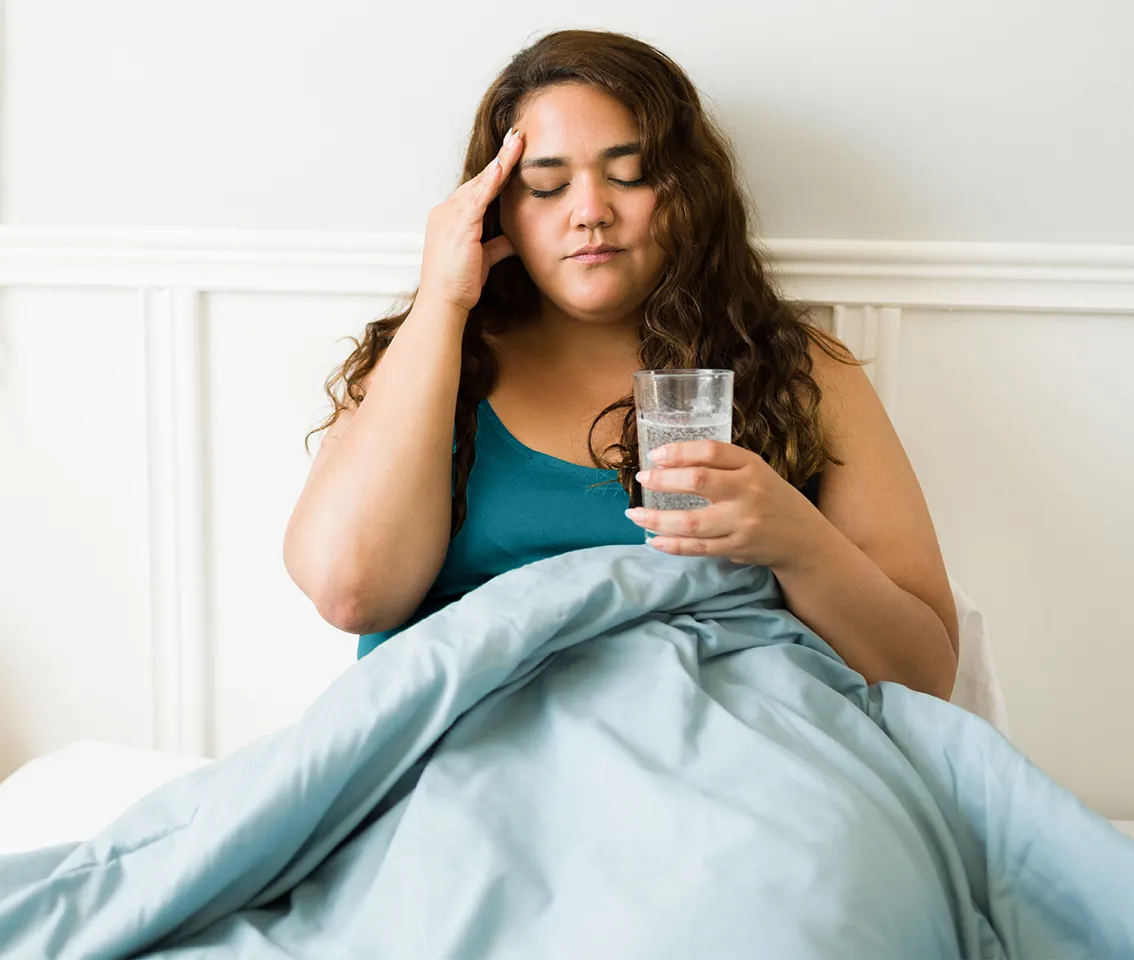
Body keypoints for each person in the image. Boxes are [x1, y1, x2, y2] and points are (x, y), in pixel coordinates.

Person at [282, 29, 959, 697]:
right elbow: (352, 595)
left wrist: (795, 539)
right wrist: (443, 298)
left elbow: (924, 673)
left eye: (629, 176)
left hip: (723, 747)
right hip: (475, 754)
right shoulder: (425, 363)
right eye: (546, 185)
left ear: (690, 191)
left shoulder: (802, 370)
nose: (590, 213)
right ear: (495, 211)